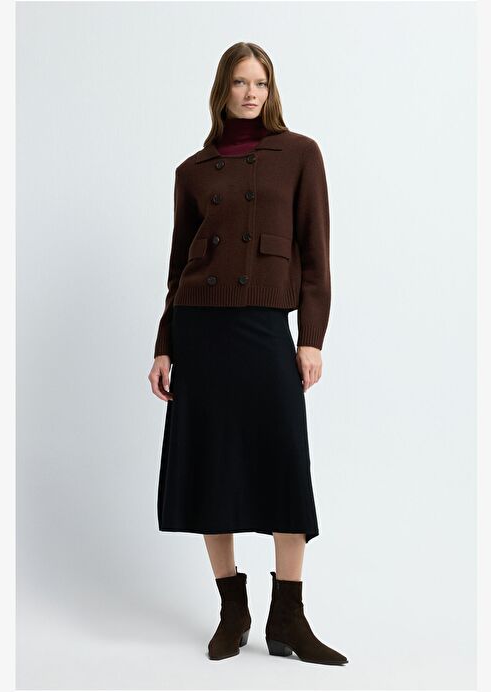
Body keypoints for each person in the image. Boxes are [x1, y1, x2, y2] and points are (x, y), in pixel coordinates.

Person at [148, 42, 348, 666]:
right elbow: (179, 267)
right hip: (200, 332)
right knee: (213, 468)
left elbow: (316, 256)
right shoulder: (193, 171)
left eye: (260, 82)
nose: (251, 93)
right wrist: (164, 345)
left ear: (271, 89)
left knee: (285, 464)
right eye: (239, 82)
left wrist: (311, 337)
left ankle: (288, 616)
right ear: (223, 90)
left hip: (265, 330)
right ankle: (232, 610)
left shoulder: (299, 154)